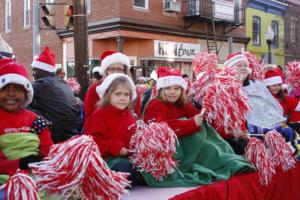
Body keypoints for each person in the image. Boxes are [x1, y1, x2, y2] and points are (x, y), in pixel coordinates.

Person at [142, 67, 255, 187]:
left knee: (212, 142)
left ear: (182, 90)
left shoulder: (181, 104)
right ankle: (225, 164)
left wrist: (230, 130)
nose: (172, 92)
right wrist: (191, 123)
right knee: (206, 145)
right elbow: (159, 129)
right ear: (160, 90)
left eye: (176, 88)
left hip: (184, 145)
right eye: (168, 88)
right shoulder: (156, 104)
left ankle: (230, 162)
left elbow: (203, 119)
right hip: (167, 150)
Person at [84, 73, 145, 185]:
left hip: (129, 158)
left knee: (151, 170)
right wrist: (114, 147)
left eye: (126, 95)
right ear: (108, 95)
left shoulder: (129, 115)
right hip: (108, 159)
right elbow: (91, 142)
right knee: (124, 171)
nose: (122, 98)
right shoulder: (99, 115)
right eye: (118, 94)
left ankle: (137, 177)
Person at [0, 59, 53, 185]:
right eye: (4, 89)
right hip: (6, 180)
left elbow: (48, 149)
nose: (11, 93)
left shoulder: (36, 119)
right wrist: (20, 164)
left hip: (36, 176)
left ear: (26, 94)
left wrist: (42, 163)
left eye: (17, 89)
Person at [29, 47, 82, 143]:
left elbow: (21, 101)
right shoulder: (63, 83)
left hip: (56, 135)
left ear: (43, 70)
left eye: (35, 70)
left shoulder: (41, 84)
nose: (33, 74)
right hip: (72, 132)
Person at [83, 50, 141, 120]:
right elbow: (89, 114)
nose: (115, 72)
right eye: (112, 69)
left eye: (119, 69)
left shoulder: (132, 89)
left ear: (125, 71)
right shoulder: (95, 89)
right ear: (107, 71)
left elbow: (136, 115)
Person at [264, 68, 300, 137]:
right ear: (268, 85)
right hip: (266, 130)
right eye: (274, 85)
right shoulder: (263, 97)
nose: (277, 88)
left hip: (282, 129)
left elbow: (297, 106)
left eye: (279, 85)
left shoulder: (283, 98)